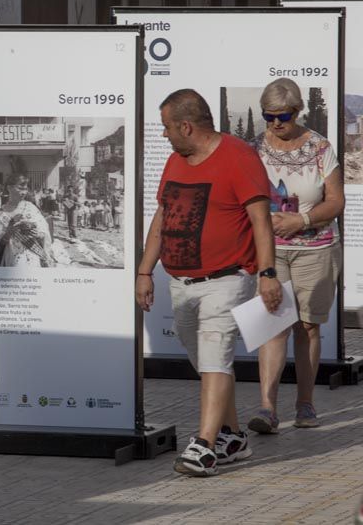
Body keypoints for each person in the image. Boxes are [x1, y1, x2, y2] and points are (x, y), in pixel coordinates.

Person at [135, 88, 282, 477]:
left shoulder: (239, 157)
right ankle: (232, 435)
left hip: (228, 278)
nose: (164, 134)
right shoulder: (175, 161)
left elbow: (261, 221)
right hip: (181, 281)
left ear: (186, 125)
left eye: (167, 127)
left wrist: (267, 274)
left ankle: (204, 445)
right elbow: (162, 217)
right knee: (205, 361)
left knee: (216, 354)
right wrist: (145, 270)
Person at [247, 78, 344, 433]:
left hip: (315, 250)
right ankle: (267, 409)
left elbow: (335, 201)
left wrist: (301, 219)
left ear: (298, 111)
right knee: (273, 327)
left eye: (283, 116)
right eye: (267, 116)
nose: (275, 123)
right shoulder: (253, 148)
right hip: (270, 251)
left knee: (307, 326)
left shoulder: (320, 147)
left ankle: (306, 404)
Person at [0, 173, 52, 267]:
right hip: (11, 259)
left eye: (26, 189)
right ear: (9, 188)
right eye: (20, 188)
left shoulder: (31, 208)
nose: (24, 192)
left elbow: (44, 231)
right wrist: (9, 232)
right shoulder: (2, 213)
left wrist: (37, 234)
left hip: (33, 256)